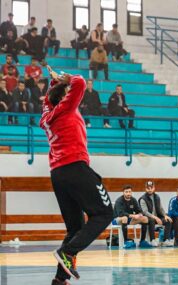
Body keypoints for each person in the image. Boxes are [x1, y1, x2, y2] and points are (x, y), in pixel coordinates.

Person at [40, 66, 113, 284]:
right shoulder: (66, 107)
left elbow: (47, 99)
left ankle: (60, 279)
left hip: (58, 173)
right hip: (75, 166)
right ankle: (68, 252)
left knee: (75, 228)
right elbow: (80, 82)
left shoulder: (47, 115)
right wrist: (66, 78)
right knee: (105, 213)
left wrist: (54, 83)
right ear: (64, 97)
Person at [138, 181, 173, 247]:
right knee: (151, 220)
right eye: (148, 188)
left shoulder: (157, 197)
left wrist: (165, 215)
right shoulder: (143, 199)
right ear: (146, 189)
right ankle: (152, 240)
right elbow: (145, 212)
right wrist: (155, 218)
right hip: (148, 218)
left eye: (151, 188)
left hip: (158, 217)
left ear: (154, 188)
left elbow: (161, 208)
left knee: (168, 220)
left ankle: (165, 240)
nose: (150, 189)